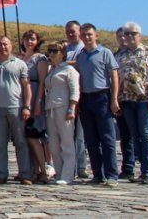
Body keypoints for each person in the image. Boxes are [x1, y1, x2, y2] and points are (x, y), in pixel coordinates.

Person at [115, 21, 148, 184]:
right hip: (127, 100)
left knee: (147, 134)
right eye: (126, 34)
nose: (129, 37)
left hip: (144, 99)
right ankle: (142, 170)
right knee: (135, 136)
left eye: (133, 34)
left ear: (139, 35)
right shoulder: (120, 55)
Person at [75, 23, 120, 186]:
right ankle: (98, 174)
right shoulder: (80, 56)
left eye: (89, 34)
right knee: (91, 139)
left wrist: (114, 99)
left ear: (96, 35)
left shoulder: (105, 53)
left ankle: (112, 174)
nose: (86, 38)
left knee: (107, 138)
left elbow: (114, 76)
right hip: (86, 99)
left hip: (102, 96)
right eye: (84, 35)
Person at [0, 36, 33, 185]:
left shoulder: (20, 64)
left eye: (5, 44)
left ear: (11, 46)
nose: (2, 47)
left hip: (16, 108)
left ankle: (25, 174)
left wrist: (27, 106)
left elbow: (27, 87)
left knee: (21, 142)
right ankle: (1, 175)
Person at [43, 41, 79, 185]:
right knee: (53, 144)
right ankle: (59, 173)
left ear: (63, 53)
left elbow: (75, 90)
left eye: (55, 51)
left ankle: (68, 175)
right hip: (50, 108)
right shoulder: (52, 70)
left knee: (66, 142)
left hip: (64, 108)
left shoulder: (69, 70)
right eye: (49, 51)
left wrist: (72, 108)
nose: (51, 54)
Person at [19, 29, 51, 183]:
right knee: (26, 138)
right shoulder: (21, 59)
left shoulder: (40, 59)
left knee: (34, 137)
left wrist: (38, 103)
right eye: (27, 39)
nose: (29, 42)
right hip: (23, 101)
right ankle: (34, 170)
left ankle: (44, 171)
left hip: (35, 99)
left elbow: (43, 82)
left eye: (32, 39)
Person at [62, 20, 89, 179]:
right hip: (65, 95)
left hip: (81, 94)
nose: (70, 34)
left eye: (73, 31)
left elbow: (80, 64)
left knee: (80, 135)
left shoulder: (83, 48)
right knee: (67, 135)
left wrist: (65, 63)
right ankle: (69, 167)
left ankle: (81, 166)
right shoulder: (65, 48)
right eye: (68, 32)